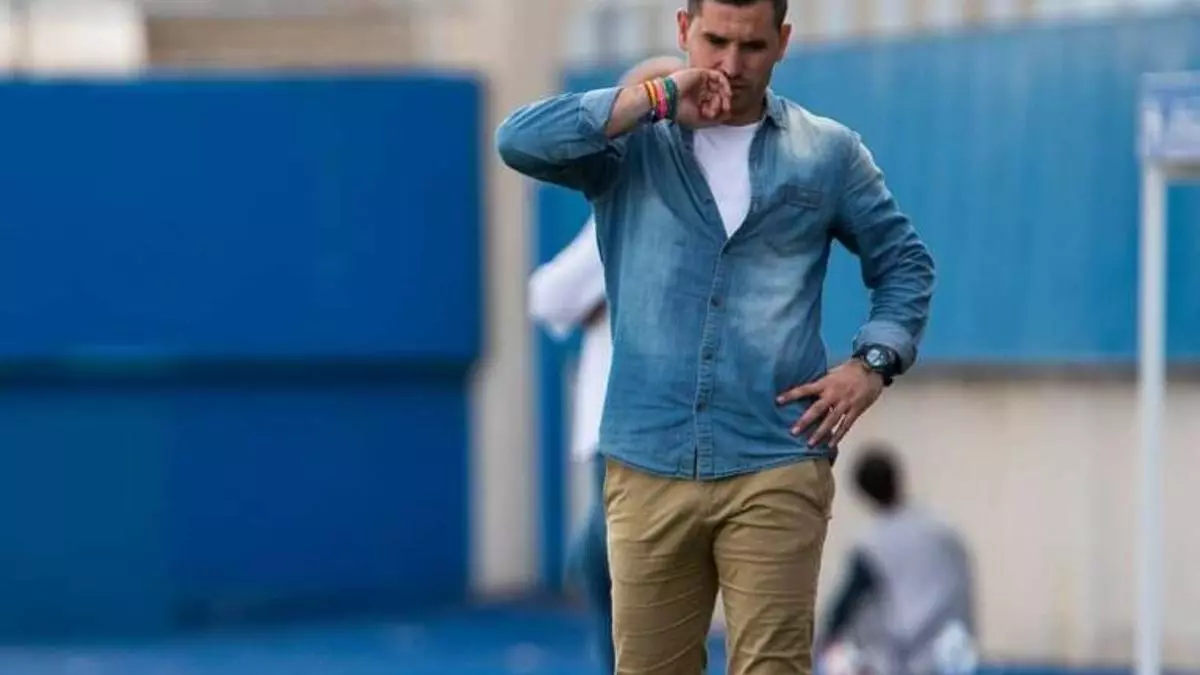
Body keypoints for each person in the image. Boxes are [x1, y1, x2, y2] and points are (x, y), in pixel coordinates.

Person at [496, 0, 936, 671]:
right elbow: (518, 140)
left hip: (775, 454)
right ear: (683, 30)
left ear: (783, 41)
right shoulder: (632, 148)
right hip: (647, 458)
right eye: (715, 41)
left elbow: (904, 262)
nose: (731, 64)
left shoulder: (826, 152)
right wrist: (656, 97)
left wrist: (871, 364)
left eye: (753, 46)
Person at [528, 56, 687, 675]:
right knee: (609, 570)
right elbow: (547, 297)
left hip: (644, 429)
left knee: (615, 571)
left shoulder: (647, 205)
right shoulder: (630, 207)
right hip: (630, 427)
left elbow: (552, 297)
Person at [818, 445, 977, 675]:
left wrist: (826, 641)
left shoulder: (872, 543)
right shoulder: (944, 531)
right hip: (950, 654)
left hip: (903, 657)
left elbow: (845, 605)